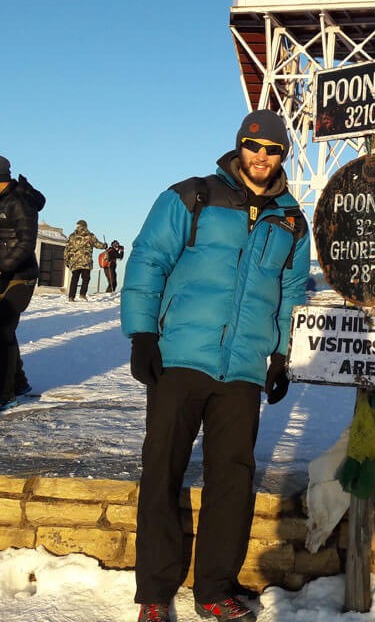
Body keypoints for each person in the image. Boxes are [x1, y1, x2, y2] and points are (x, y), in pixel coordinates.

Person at [121, 109, 310, 622]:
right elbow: (148, 259)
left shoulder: (291, 218)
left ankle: (213, 591)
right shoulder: (193, 196)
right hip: (181, 356)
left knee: (232, 478)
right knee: (162, 471)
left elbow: (292, 291)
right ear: (238, 147)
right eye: (254, 147)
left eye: (272, 150)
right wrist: (142, 333)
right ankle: (155, 594)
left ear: (282, 155)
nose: (261, 158)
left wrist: (281, 353)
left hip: (244, 368)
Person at [0, 155, 46, 415]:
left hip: (19, 276)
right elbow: (0, 235)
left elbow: (25, 243)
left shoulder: (19, 203)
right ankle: (18, 382)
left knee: (2, 331)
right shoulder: (4, 201)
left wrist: (1, 271)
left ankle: (4, 394)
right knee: (0, 331)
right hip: (6, 273)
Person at [64, 220, 106, 301]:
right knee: (86, 278)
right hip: (86, 261)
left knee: (74, 279)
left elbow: (67, 249)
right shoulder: (90, 235)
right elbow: (97, 244)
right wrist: (104, 246)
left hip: (74, 261)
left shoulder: (72, 236)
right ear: (86, 226)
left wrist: (66, 260)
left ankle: (71, 297)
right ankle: (82, 294)